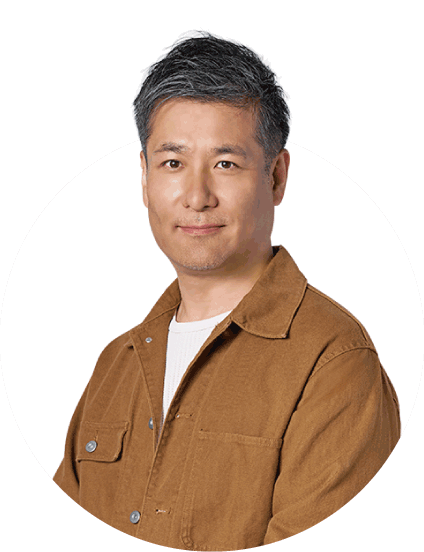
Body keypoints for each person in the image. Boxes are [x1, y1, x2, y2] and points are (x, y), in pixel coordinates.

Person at [53, 31, 400, 551]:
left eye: (225, 164)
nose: (197, 197)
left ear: (276, 177)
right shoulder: (116, 364)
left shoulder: (335, 363)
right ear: (145, 178)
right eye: (173, 163)